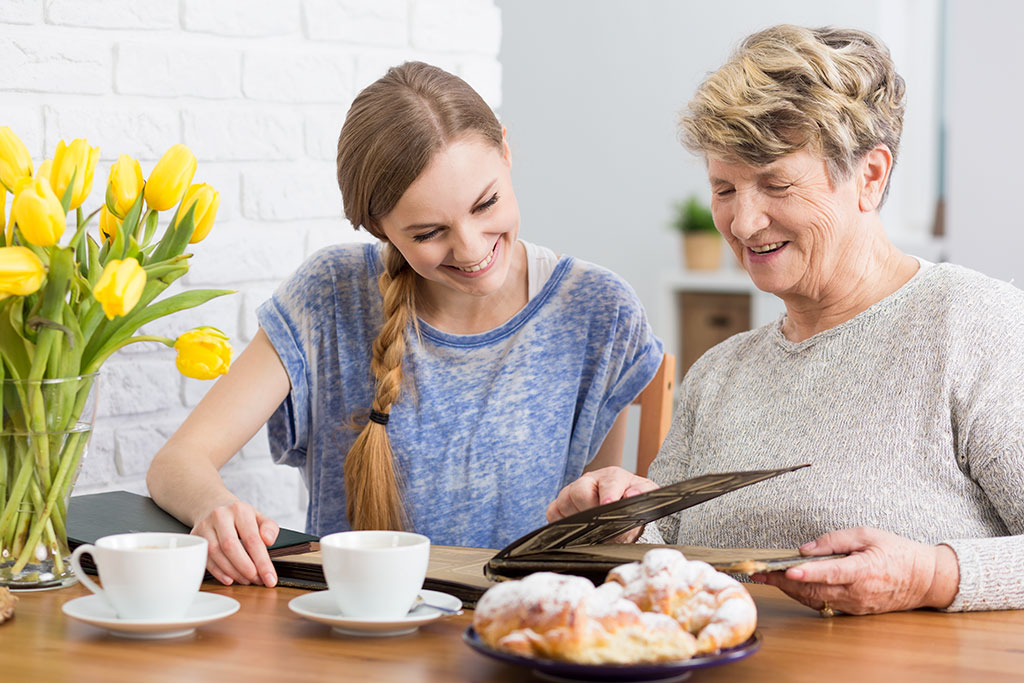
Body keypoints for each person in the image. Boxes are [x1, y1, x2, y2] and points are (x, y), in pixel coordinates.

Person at [547, 25, 1024, 615]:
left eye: (776, 184)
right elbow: (670, 559)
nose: (743, 223)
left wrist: (930, 576)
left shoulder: (976, 327)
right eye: (724, 188)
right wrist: (626, 525)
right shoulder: (719, 371)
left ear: (870, 176)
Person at [146, 62, 663, 588]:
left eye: (486, 203)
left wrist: (615, 510)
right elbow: (177, 463)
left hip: (516, 625)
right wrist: (215, 508)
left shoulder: (598, 310)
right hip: (350, 622)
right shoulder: (330, 294)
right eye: (429, 232)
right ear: (379, 227)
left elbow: (593, 535)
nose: (471, 249)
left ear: (506, 151)